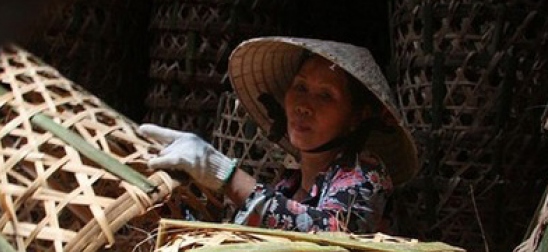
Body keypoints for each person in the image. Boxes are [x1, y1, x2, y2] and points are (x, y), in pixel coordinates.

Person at [138, 37, 418, 234]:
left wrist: (227, 175)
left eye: (326, 95)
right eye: (300, 87)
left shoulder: (366, 173)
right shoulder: (288, 184)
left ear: (356, 117)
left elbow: (330, 235)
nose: (304, 106)